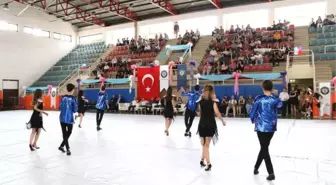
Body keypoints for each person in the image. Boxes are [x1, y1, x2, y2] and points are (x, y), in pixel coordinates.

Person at [250, 80, 282, 181]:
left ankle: (271, 173)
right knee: (264, 148)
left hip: (261, 127)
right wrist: (275, 95)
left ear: (263, 88)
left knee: (264, 148)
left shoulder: (258, 99)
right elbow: (280, 105)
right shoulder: (275, 99)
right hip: (271, 128)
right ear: (272, 88)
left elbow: (252, 112)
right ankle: (256, 168)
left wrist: (253, 120)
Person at [197, 85, 226, 171]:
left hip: (202, 124)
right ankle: (207, 163)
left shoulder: (200, 102)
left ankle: (203, 160)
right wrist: (222, 121)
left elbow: (199, 113)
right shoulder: (213, 102)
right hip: (210, 125)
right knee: (206, 145)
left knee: (204, 145)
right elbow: (217, 113)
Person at [58, 83, 77, 156]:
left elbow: (59, 107)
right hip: (69, 119)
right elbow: (75, 110)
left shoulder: (63, 98)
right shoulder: (73, 99)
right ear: (72, 90)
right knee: (69, 132)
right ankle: (68, 148)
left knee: (64, 133)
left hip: (62, 118)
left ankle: (62, 146)